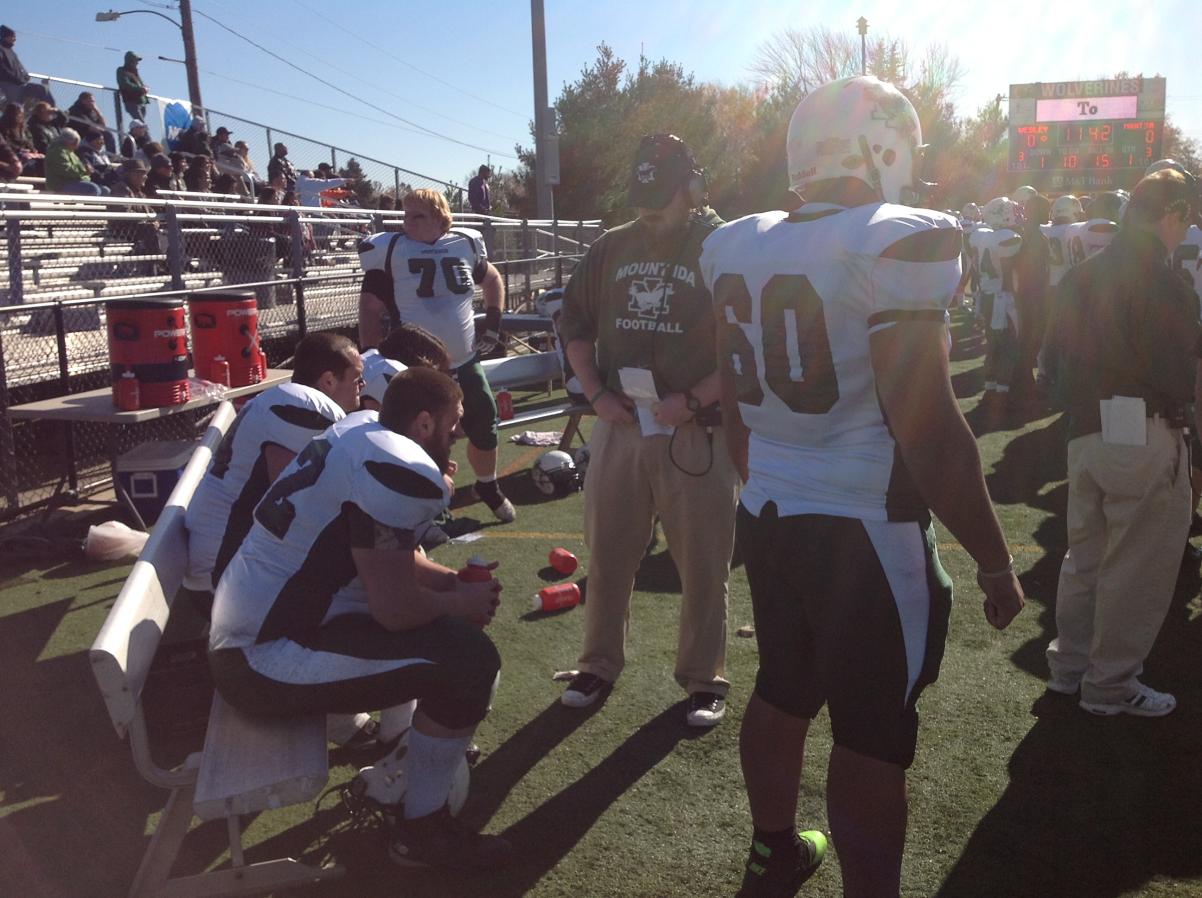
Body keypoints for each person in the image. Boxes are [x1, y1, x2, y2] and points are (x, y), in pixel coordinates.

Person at [699, 76, 1025, 897]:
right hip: (864, 529)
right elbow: (929, 428)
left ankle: (775, 847)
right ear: (888, 150)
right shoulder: (896, 238)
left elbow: (734, 397)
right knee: (872, 739)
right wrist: (994, 558)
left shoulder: (734, 243)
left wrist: (761, 478)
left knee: (781, 692)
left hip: (768, 510)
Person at [207, 367, 512, 869]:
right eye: (452, 423)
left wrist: (449, 582)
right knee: (469, 660)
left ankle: (413, 769)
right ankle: (421, 831)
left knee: (454, 644)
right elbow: (395, 610)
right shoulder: (393, 465)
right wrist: (458, 605)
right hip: (260, 656)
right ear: (423, 424)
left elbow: (382, 551)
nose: (457, 434)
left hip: (255, 628)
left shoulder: (362, 430)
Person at [556, 134, 736, 727]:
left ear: (694, 187)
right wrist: (596, 392)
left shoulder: (722, 244)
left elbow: (746, 343)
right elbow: (574, 324)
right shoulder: (612, 247)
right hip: (623, 425)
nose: (647, 209)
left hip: (695, 430)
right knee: (607, 554)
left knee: (704, 563)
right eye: (641, 196)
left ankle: (704, 676)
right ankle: (598, 662)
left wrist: (695, 398)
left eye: (660, 197)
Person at [1043, 167, 1201, 718]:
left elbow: (1049, 367)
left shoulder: (1080, 276)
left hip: (1084, 432)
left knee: (1085, 557)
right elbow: (1186, 377)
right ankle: (1109, 685)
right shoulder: (1167, 286)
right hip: (1143, 430)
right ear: (1172, 213)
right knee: (1136, 564)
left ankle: (1070, 669)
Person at [358, 187, 516, 523]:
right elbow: (370, 309)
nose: (407, 223)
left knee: (485, 420)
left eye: (418, 216)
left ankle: (487, 485)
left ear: (442, 220)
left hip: (464, 359)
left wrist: (493, 322)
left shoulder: (463, 243)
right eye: (405, 215)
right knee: (421, 435)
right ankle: (427, 504)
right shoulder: (392, 250)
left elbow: (492, 278)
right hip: (415, 366)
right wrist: (371, 356)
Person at [0, 26, 55, 108]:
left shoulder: (11, 52)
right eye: (12, 37)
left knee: (42, 89)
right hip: (8, 84)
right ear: (5, 37)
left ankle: (53, 111)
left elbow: (19, 66)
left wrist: (25, 75)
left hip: (21, 84)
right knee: (17, 107)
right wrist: (16, 78)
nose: (15, 39)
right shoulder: (1, 49)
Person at [44, 128, 105, 196]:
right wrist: (85, 170)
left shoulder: (70, 152)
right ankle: (88, 206)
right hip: (60, 185)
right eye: (76, 143)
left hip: (73, 182)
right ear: (70, 141)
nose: (76, 146)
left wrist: (86, 173)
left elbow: (79, 168)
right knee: (93, 189)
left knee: (104, 190)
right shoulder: (57, 152)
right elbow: (66, 171)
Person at [116, 51, 149, 123]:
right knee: (142, 125)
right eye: (135, 61)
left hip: (141, 101)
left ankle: (137, 133)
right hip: (132, 102)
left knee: (140, 126)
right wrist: (141, 89)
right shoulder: (121, 70)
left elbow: (140, 84)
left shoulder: (135, 72)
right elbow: (125, 84)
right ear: (130, 61)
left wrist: (145, 88)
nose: (137, 63)